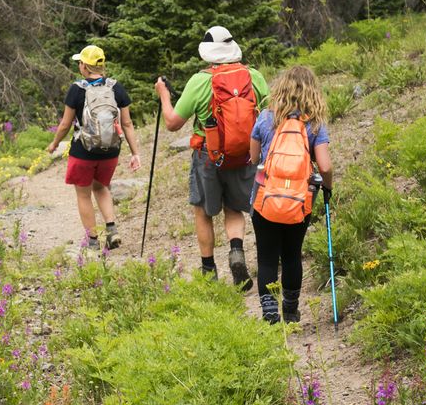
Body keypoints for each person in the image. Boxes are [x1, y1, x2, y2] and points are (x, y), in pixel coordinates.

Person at [154, 26, 268, 289]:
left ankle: (209, 271)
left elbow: (172, 123)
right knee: (235, 208)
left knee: (203, 211)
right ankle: (236, 251)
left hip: (208, 154)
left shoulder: (200, 80)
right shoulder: (254, 76)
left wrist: (163, 95)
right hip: (245, 155)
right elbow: (270, 114)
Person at [249, 65, 333, 323]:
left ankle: (269, 312)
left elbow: (253, 158)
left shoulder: (265, 118)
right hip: (299, 200)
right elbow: (326, 166)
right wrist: (327, 188)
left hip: (266, 199)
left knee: (266, 258)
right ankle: (291, 309)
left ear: (281, 88)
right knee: (292, 254)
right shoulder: (315, 124)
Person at [48, 45, 141, 253]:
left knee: (83, 194)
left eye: (80, 62)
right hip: (110, 151)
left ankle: (92, 240)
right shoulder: (117, 88)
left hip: (83, 151)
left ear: (84, 66)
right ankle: (112, 228)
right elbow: (127, 124)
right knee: (101, 187)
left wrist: (54, 144)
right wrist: (135, 153)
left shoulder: (77, 89)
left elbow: (65, 124)